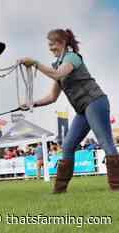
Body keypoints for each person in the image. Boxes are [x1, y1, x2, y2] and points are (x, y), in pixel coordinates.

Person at [18, 28, 119, 193]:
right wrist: (32, 104)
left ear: (62, 43)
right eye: (49, 45)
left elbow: (58, 75)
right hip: (82, 110)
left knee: (106, 143)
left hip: (95, 102)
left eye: (53, 44)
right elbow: (52, 96)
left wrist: (35, 63)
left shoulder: (72, 58)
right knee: (68, 145)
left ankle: (117, 187)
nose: (50, 48)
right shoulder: (58, 64)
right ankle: (59, 190)